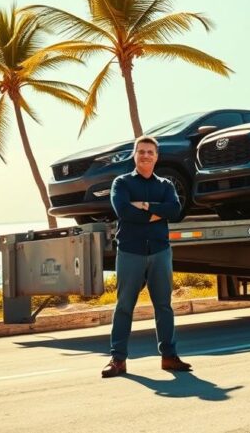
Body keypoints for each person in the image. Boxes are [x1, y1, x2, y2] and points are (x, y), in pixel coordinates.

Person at [101, 135, 191, 378]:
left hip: (160, 251)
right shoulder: (121, 183)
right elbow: (124, 212)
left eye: (150, 152)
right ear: (134, 154)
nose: (146, 155)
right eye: (141, 151)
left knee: (164, 306)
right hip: (131, 251)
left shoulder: (166, 186)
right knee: (124, 307)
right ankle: (118, 360)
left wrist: (146, 206)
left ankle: (169, 357)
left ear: (156, 156)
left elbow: (175, 209)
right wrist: (155, 212)